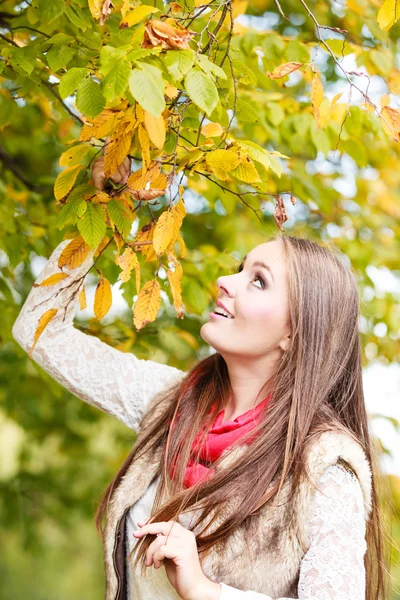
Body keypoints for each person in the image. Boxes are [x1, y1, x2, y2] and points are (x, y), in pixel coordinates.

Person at [12, 156, 387, 600]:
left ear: (294, 333)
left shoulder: (323, 469)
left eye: (259, 281)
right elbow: (39, 331)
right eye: (240, 267)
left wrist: (203, 589)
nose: (226, 281)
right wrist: (105, 207)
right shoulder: (170, 402)